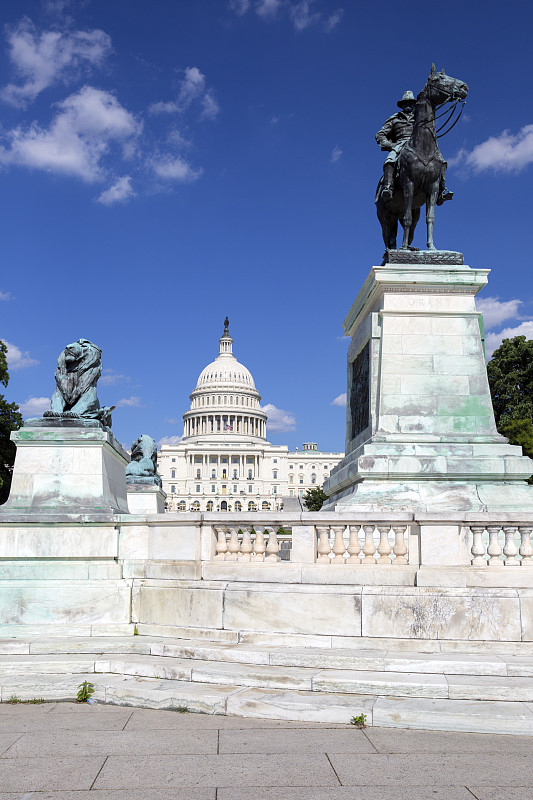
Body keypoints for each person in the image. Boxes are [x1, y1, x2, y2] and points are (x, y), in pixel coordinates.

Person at [376, 90, 453, 205]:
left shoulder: (419, 117)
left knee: (442, 161)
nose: (408, 105)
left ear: (413, 104)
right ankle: (388, 187)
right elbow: (380, 134)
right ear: (402, 105)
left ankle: (442, 191)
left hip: (417, 144)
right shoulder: (395, 119)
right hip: (400, 144)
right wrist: (390, 145)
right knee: (389, 160)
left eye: (410, 103)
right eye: (405, 103)